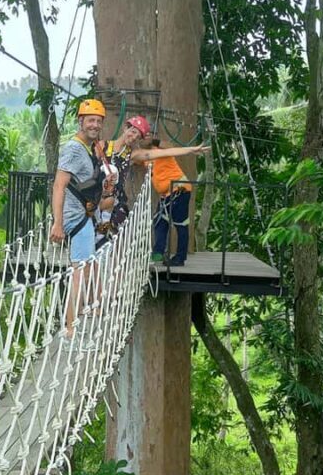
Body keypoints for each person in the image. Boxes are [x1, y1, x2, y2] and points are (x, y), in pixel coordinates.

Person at [49, 98, 116, 337]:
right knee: (78, 270)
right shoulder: (74, 148)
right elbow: (59, 185)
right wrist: (58, 223)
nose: (95, 125)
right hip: (76, 217)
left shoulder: (89, 148)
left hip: (85, 215)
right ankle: (70, 328)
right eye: (90, 120)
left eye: (98, 121)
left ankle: (91, 309)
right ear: (80, 121)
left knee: (86, 266)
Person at [134, 129, 211, 266]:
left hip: (179, 189)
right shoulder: (145, 155)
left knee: (180, 224)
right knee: (160, 222)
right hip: (167, 194)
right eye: (142, 136)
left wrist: (153, 141)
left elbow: (170, 146)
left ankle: (180, 258)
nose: (145, 138)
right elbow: (134, 159)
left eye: (147, 135)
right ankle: (158, 253)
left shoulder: (161, 149)